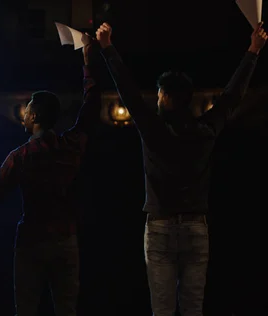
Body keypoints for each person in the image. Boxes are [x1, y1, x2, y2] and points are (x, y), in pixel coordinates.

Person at [95, 21, 267, 316]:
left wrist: (108, 48)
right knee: (192, 309)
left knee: (161, 310)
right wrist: (253, 51)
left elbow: (129, 92)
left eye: (160, 93)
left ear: (168, 98)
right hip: (196, 228)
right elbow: (231, 97)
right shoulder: (205, 130)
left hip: (160, 227)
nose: (157, 97)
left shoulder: (153, 130)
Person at [0, 38, 102, 316]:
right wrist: (87, 65)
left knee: (26, 309)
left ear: (34, 116)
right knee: (67, 310)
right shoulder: (70, 146)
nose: (23, 114)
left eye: (27, 110)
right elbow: (91, 108)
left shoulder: (21, 157)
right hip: (66, 239)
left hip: (32, 241)